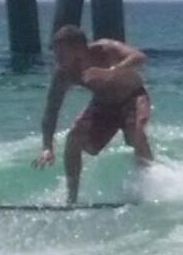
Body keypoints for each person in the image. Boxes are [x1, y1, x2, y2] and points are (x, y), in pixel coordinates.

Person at [33, 25, 153, 204]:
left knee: (138, 134)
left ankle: (148, 188)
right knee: (74, 139)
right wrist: (47, 147)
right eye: (56, 54)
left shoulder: (105, 49)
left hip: (132, 97)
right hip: (103, 104)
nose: (57, 59)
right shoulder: (64, 74)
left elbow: (140, 57)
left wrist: (110, 72)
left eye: (61, 54)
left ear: (79, 48)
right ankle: (71, 198)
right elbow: (51, 109)